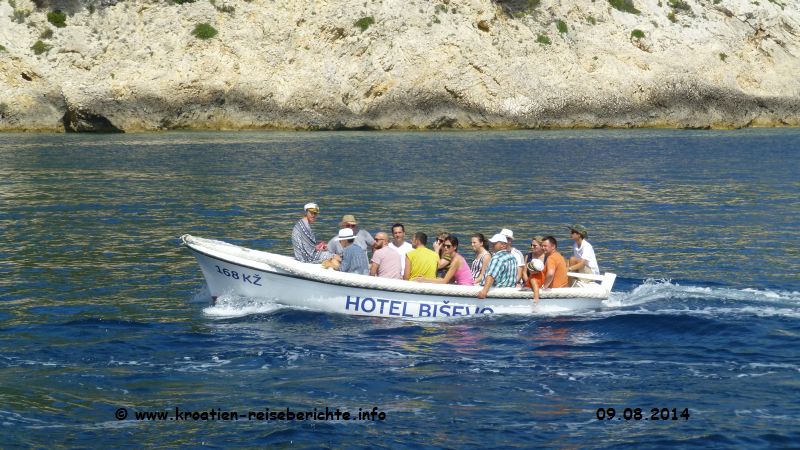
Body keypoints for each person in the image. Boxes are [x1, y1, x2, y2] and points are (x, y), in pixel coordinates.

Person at [477, 234, 518, 299]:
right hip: (509, 292)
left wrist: (484, 291)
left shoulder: (497, 258)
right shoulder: (512, 257)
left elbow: (491, 276)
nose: (492, 245)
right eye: (492, 243)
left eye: (494, 243)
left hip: (498, 293)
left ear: (503, 245)